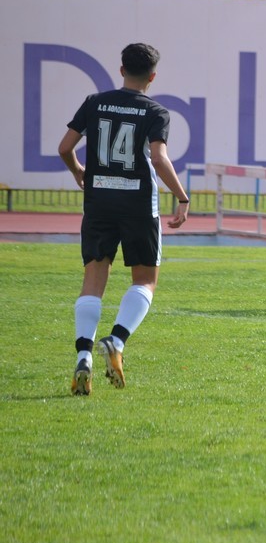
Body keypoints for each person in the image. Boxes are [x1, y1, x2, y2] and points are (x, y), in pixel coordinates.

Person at [58, 43, 190, 396]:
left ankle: (83, 355)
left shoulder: (94, 102)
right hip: (137, 204)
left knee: (93, 279)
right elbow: (159, 159)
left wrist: (78, 171)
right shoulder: (155, 111)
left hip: (99, 201)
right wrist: (182, 197)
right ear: (152, 76)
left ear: (121, 70)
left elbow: (64, 148)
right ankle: (116, 341)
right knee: (145, 280)